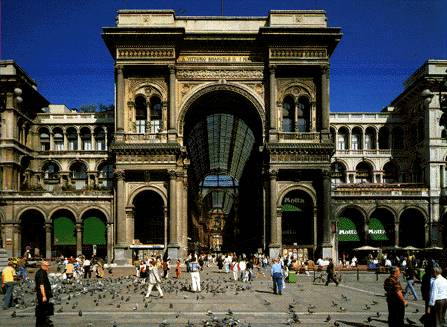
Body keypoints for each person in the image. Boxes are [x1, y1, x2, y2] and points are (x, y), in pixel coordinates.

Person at [35, 261, 53, 327]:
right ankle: (41, 324)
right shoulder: (40, 273)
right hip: (42, 295)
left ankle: (43, 323)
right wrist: (44, 296)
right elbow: (41, 285)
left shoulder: (43, 272)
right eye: (47, 265)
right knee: (42, 310)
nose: (48, 267)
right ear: (43, 266)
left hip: (45, 294)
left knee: (44, 310)